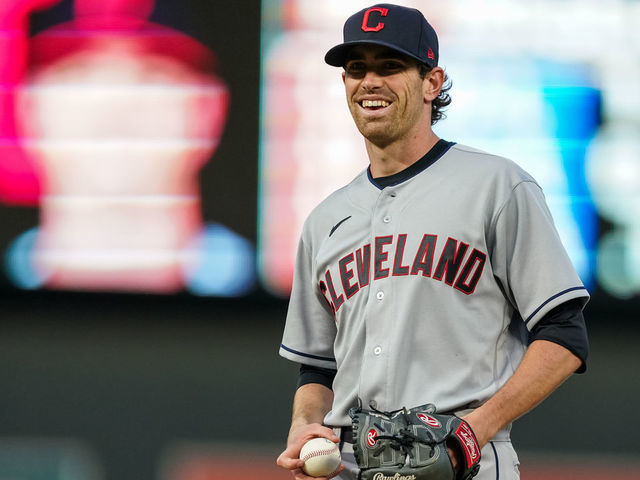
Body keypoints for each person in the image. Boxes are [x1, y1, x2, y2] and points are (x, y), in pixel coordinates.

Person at [276, 4, 589, 480]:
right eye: (356, 68)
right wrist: (305, 424)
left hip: (464, 468)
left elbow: (564, 335)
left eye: (390, 66)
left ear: (432, 82)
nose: (370, 81)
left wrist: (475, 429)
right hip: (349, 467)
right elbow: (318, 369)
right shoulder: (325, 221)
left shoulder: (498, 186)